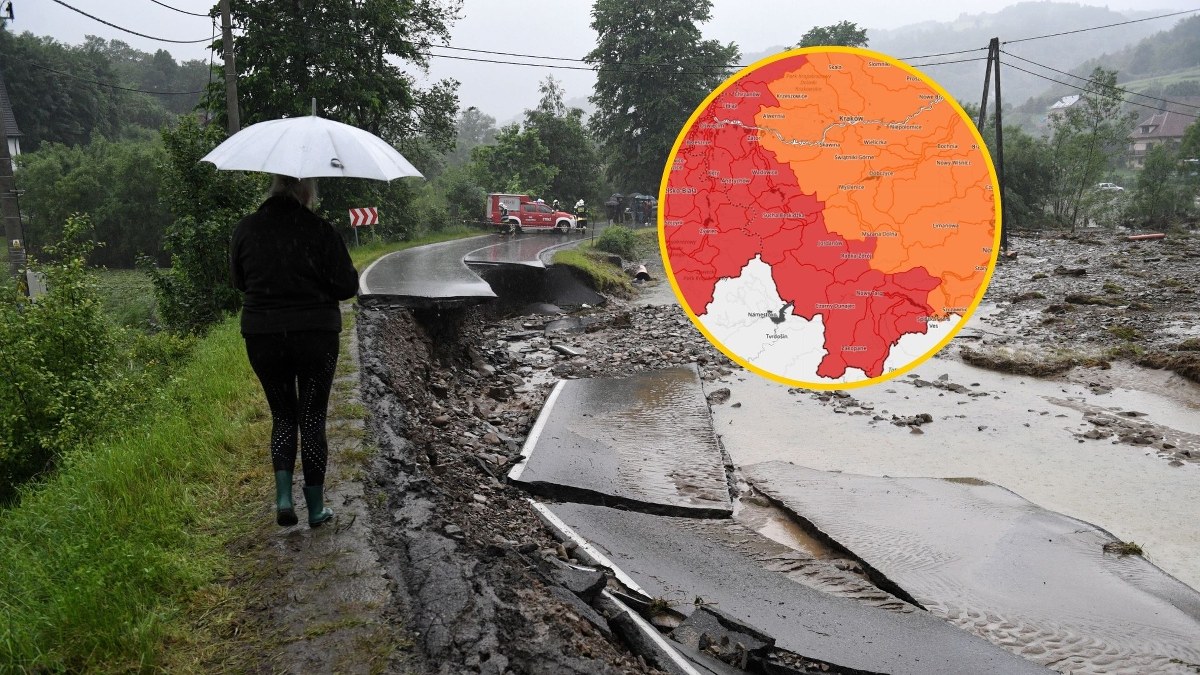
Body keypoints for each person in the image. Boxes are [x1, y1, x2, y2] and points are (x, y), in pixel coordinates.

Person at [230, 174, 359, 528]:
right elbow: (346, 286)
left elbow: (240, 281)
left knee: (283, 416)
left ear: (272, 188)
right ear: (306, 191)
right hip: (315, 336)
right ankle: (315, 508)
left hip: (263, 335)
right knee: (313, 417)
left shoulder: (246, 229)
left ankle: (283, 499)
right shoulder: (320, 230)